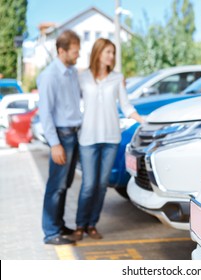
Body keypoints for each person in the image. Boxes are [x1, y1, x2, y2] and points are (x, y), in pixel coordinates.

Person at [73, 38, 144, 241]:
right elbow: (72, 103)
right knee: (88, 184)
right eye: (108, 52)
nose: (111, 56)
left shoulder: (117, 78)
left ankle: (92, 224)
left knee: (102, 184)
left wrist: (143, 120)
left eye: (113, 53)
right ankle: (80, 224)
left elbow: (126, 106)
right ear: (97, 53)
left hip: (111, 138)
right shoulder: (83, 77)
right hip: (88, 138)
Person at [38, 30, 82, 245]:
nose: (78, 56)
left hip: (74, 135)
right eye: (75, 52)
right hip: (62, 137)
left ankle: (58, 224)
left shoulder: (72, 72)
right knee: (55, 186)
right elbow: (45, 113)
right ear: (61, 50)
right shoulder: (49, 76)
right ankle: (50, 232)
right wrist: (55, 144)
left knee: (64, 185)